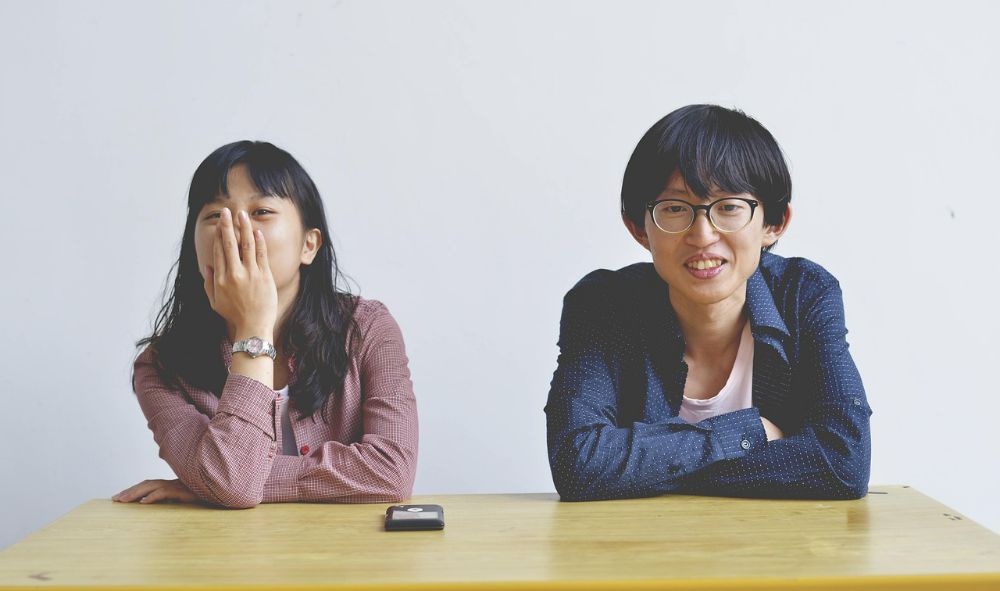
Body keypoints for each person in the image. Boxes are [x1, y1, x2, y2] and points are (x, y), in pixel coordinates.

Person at [545, 105, 871, 501]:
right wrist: (749, 434)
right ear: (638, 228)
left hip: (782, 554)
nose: (702, 235)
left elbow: (843, 463)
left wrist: (644, 470)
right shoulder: (603, 306)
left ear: (774, 223)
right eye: (675, 209)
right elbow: (577, 465)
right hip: (635, 555)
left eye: (729, 207)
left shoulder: (804, 295)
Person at [114, 141, 418, 508]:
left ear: (310, 244)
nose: (236, 228)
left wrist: (214, 480)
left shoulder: (368, 329)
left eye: (260, 211)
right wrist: (253, 328)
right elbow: (230, 483)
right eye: (214, 216)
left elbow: (391, 472)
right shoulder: (161, 366)